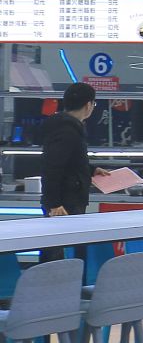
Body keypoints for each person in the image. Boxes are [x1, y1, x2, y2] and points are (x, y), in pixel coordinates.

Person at [37, 81, 96, 260]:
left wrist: (91, 170)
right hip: (64, 202)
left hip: (67, 198)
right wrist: (54, 204)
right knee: (58, 255)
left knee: (60, 251)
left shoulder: (68, 127)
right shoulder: (67, 130)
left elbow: (68, 162)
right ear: (88, 105)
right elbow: (52, 168)